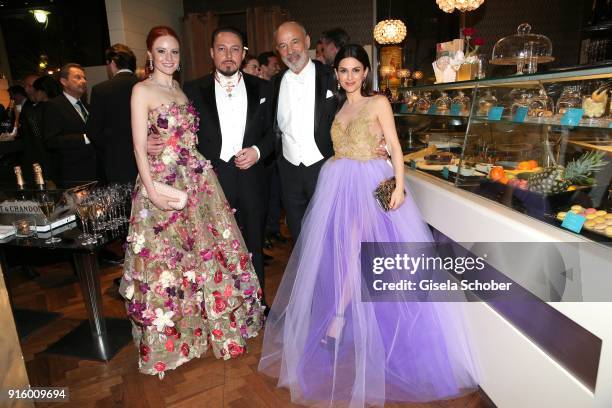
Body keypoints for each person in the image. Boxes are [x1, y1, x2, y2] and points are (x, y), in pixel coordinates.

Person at [258, 44, 478, 406]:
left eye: (355, 70)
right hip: (338, 186)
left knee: (367, 254)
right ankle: (346, 319)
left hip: (372, 186)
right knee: (346, 254)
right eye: (343, 70)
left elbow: (393, 146)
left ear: (365, 72)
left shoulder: (378, 103)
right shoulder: (337, 106)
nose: (349, 77)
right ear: (337, 74)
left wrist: (400, 186)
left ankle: (344, 318)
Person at [120, 26, 264, 378]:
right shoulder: (141, 91)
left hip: (196, 181)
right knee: (165, 263)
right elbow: (140, 146)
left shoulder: (182, 91)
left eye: (174, 52)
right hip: (163, 183)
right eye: (162, 51)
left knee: (199, 258)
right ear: (149, 55)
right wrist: (153, 191)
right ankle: (168, 341)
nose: (169, 58)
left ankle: (197, 332)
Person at [149, 27, 274, 307]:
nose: (228, 55)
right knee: (214, 246)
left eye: (235, 49)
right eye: (221, 49)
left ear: (243, 54)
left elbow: (274, 132)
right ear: (211, 53)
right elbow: (168, 124)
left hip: (252, 178)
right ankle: (224, 307)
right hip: (209, 179)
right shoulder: (191, 89)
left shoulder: (264, 88)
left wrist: (257, 151)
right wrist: (149, 139)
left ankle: (256, 303)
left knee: (253, 241)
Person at [270, 21, 386, 240]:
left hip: (326, 169)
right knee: (300, 236)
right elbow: (270, 127)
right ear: (278, 50)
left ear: (307, 42)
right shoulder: (274, 83)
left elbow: (364, 109)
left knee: (333, 236)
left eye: (294, 42)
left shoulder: (333, 77)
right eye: (283, 46)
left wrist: (382, 143)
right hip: (288, 172)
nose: (290, 51)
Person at [87, 43, 139, 184]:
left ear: (112, 63)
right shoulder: (144, 86)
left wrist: (112, 148)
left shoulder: (101, 90)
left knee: (121, 205)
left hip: (116, 162)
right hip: (146, 160)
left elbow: (93, 132)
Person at [42, 63, 97, 184]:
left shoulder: (87, 106)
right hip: (73, 175)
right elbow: (51, 141)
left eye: (84, 78)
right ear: (64, 81)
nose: (83, 81)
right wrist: (84, 138)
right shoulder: (54, 106)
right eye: (78, 77)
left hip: (94, 171)